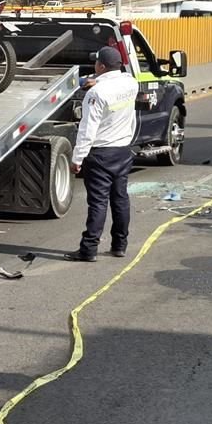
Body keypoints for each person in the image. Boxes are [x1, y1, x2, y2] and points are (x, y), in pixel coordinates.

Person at [64, 46, 139, 262]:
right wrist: (99, 81)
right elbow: (118, 81)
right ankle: (119, 245)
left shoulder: (95, 94)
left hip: (100, 153)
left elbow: (88, 129)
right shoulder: (130, 83)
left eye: (96, 62)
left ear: (101, 66)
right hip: (123, 150)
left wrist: (77, 159)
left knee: (97, 203)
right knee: (120, 199)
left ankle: (88, 250)